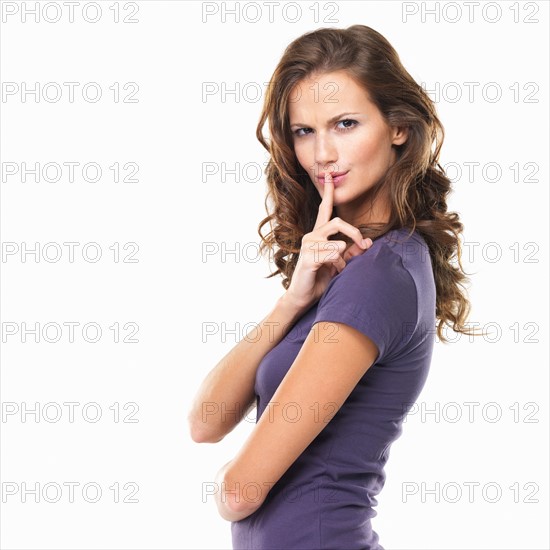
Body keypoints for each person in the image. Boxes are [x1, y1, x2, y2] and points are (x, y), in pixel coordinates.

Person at [188, 25, 480, 549]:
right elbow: (205, 422)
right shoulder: (341, 269)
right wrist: (294, 299)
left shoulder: (378, 273)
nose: (322, 153)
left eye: (345, 124)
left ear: (398, 127)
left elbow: (240, 493)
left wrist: (228, 479)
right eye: (303, 131)